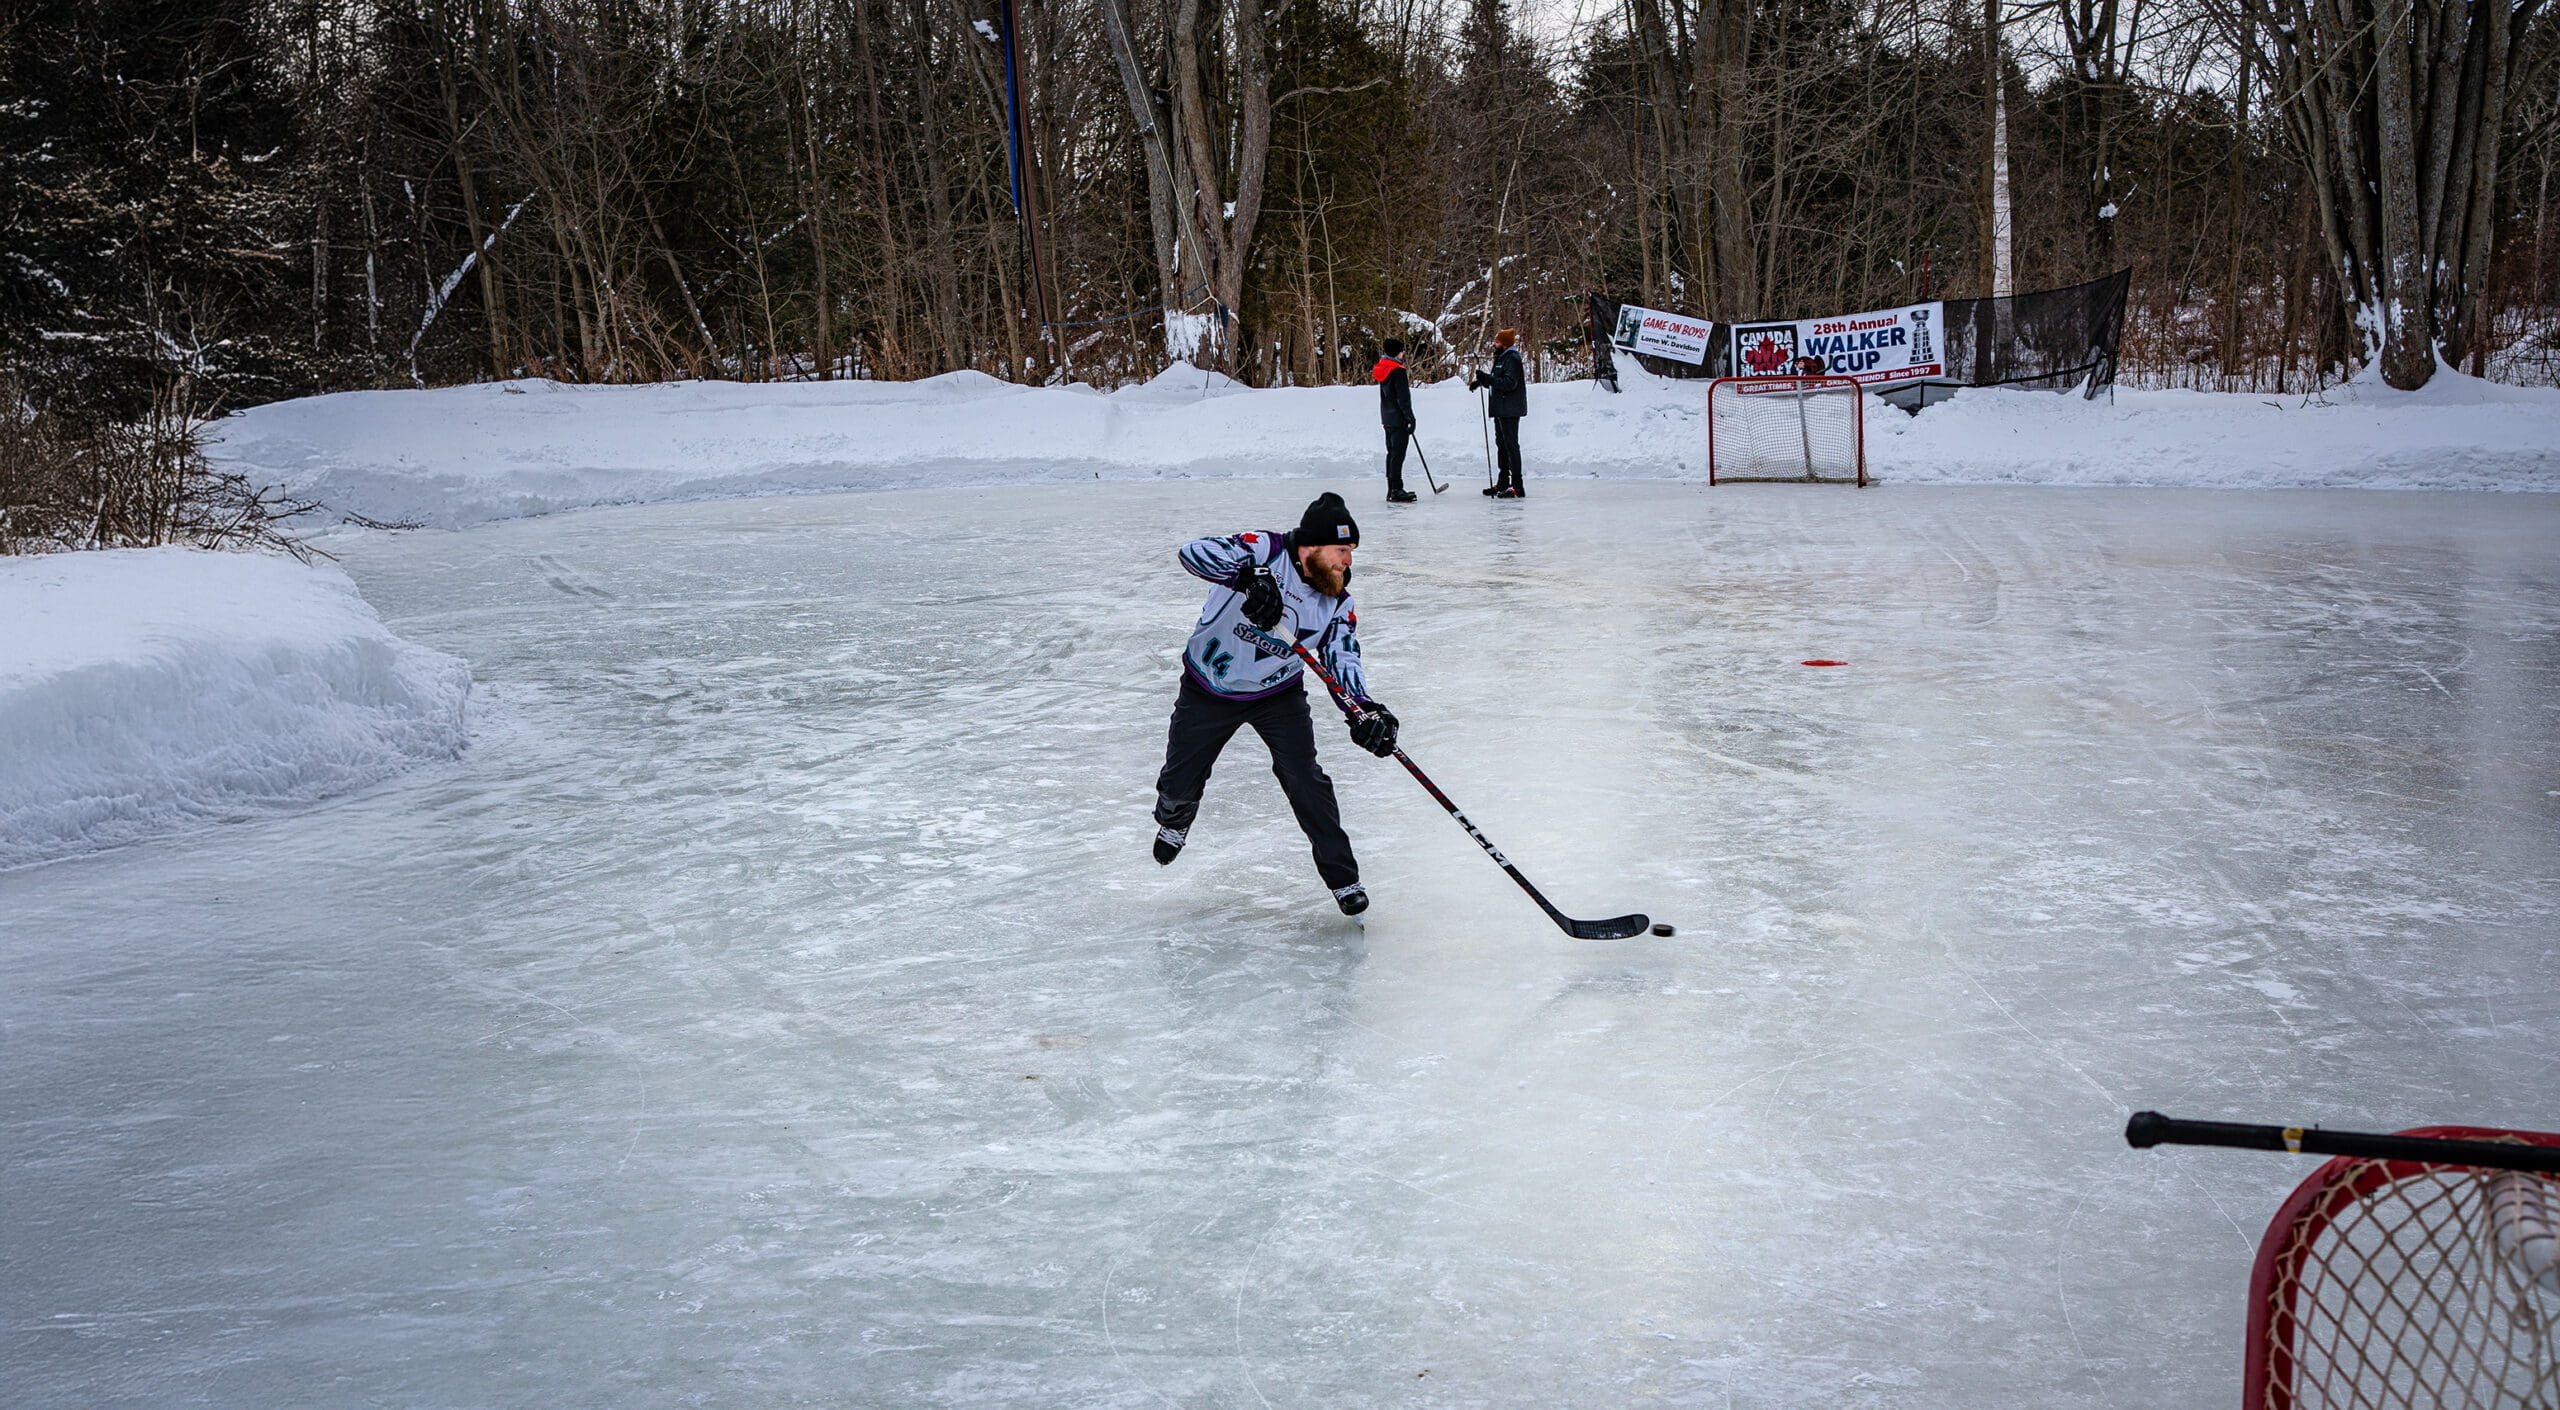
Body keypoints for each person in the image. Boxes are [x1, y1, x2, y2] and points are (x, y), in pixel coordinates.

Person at [1152, 492, 1400, 917]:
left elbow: (1342, 655)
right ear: (1311, 547)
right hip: (1208, 688)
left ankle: (1343, 879)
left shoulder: (1337, 601)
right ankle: (1174, 820)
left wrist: (1364, 708)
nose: (1348, 561)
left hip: (1277, 694)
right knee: (1179, 778)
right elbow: (1193, 552)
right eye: (1342, 550)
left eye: (1351, 552)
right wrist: (1246, 578)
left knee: (1306, 779)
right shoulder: (1264, 549)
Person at [1468, 327, 1528, 498]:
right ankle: (1503, 482)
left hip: (1509, 409)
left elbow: (1509, 383)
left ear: (1504, 343)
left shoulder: (1512, 358)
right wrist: (1481, 382)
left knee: (1511, 446)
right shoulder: (1501, 357)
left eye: (1497, 342)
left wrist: (1488, 378)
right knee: (1501, 446)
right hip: (1500, 409)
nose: (1494, 344)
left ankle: (1517, 485)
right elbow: (1496, 382)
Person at [1374, 338, 1419, 503]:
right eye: (1402, 350)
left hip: (1387, 417)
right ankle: (1396, 489)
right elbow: (1403, 398)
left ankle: (1391, 488)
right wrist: (1410, 417)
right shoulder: (1397, 371)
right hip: (1398, 418)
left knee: (1392, 454)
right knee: (1397, 455)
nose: (1404, 353)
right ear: (1398, 352)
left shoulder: (1383, 368)